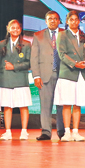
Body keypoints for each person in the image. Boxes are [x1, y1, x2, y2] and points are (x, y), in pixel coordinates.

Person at [55, 12, 85, 142]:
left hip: (82, 74)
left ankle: (76, 132)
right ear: (67, 21)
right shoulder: (62, 35)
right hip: (68, 73)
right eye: (72, 20)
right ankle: (67, 133)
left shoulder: (83, 36)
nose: (74, 22)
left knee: (78, 103)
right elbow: (62, 54)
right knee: (67, 104)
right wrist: (75, 64)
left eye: (76, 20)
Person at [30, 11, 65, 141]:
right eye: (50, 19)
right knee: (45, 105)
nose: (52, 21)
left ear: (59, 21)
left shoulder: (65, 34)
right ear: (45, 21)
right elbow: (34, 58)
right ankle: (46, 131)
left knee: (62, 104)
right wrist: (36, 76)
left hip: (63, 74)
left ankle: (62, 131)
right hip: (44, 75)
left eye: (55, 18)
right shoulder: (38, 36)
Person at [0, 20, 32, 140]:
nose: (15, 30)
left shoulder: (27, 44)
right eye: (13, 27)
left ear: (20, 29)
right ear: (8, 28)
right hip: (6, 79)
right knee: (7, 106)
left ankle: (24, 131)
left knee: (23, 106)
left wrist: (14, 66)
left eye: (17, 28)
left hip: (20, 79)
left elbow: (29, 63)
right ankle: (7, 131)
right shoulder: (2, 44)